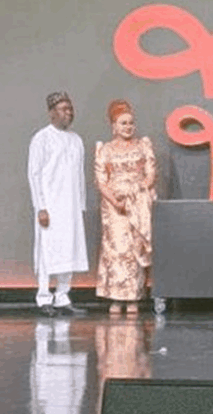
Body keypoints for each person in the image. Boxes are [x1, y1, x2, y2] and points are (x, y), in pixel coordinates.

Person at [27, 91, 89, 316]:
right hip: (50, 206)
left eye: (70, 109)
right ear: (52, 113)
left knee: (69, 249)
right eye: (64, 109)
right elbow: (34, 174)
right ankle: (43, 297)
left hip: (71, 207)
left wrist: (80, 205)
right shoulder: (42, 138)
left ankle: (62, 297)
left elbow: (80, 176)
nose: (69, 113)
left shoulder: (76, 140)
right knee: (47, 251)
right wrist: (40, 206)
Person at [94, 99, 157, 315]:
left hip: (138, 203)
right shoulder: (105, 150)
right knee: (116, 249)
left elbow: (150, 175)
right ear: (114, 126)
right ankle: (115, 297)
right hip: (114, 207)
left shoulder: (143, 146)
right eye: (123, 123)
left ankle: (133, 297)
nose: (128, 127)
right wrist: (115, 201)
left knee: (134, 249)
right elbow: (101, 181)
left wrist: (138, 191)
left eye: (131, 123)